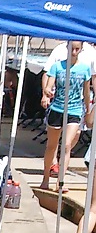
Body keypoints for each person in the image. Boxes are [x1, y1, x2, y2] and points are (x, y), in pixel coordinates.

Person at [39, 40, 92, 192]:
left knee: (67, 145)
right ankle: (46, 178)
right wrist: (47, 93)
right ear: (67, 48)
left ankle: (60, 182)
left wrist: (88, 110)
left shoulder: (84, 69)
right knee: (52, 146)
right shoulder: (57, 66)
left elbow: (86, 92)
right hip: (57, 108)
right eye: (72, 49)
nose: (74, 52)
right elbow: (49, 85)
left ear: (81, 50)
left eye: (77, 49)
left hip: (75, 110)